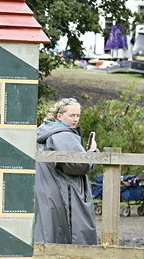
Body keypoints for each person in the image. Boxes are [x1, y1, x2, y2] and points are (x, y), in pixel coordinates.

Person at [33, 98, 99, 245]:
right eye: (72, 115)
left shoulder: (43, 131)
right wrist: (93, 151)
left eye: (78, 115)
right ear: (59, 116)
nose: (75, 119)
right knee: (66, 231)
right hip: (61, 190)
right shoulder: (63, 135)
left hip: (45, 188)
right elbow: (79, 165)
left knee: (47, 229)